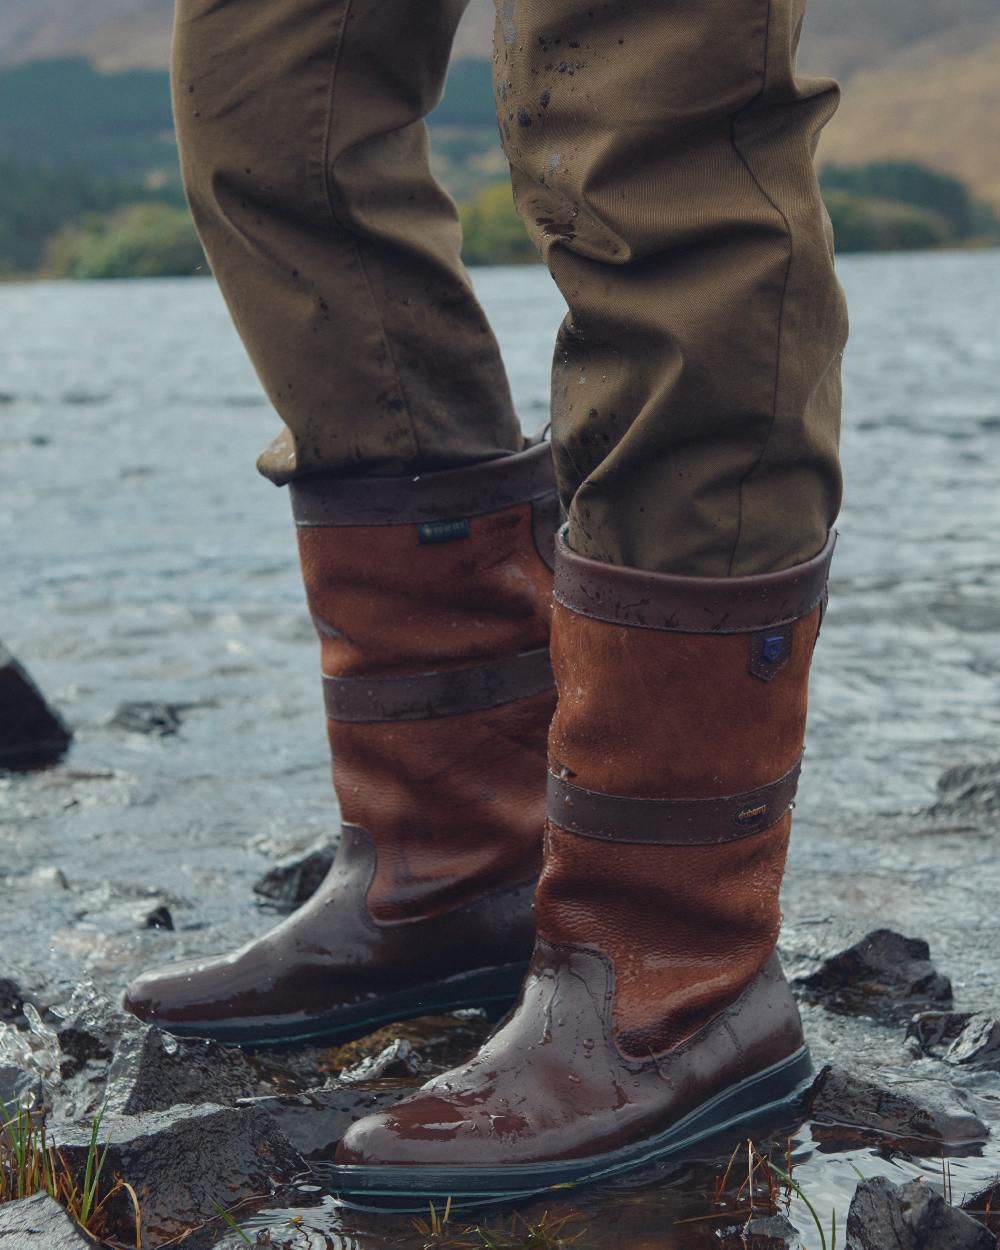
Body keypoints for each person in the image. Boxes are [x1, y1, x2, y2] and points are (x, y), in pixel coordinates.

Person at [125, 0, 848, 1200]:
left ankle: (673, 977)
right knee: (266, 119)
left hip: (674, 971)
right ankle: (450, 861)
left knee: (645, 131)